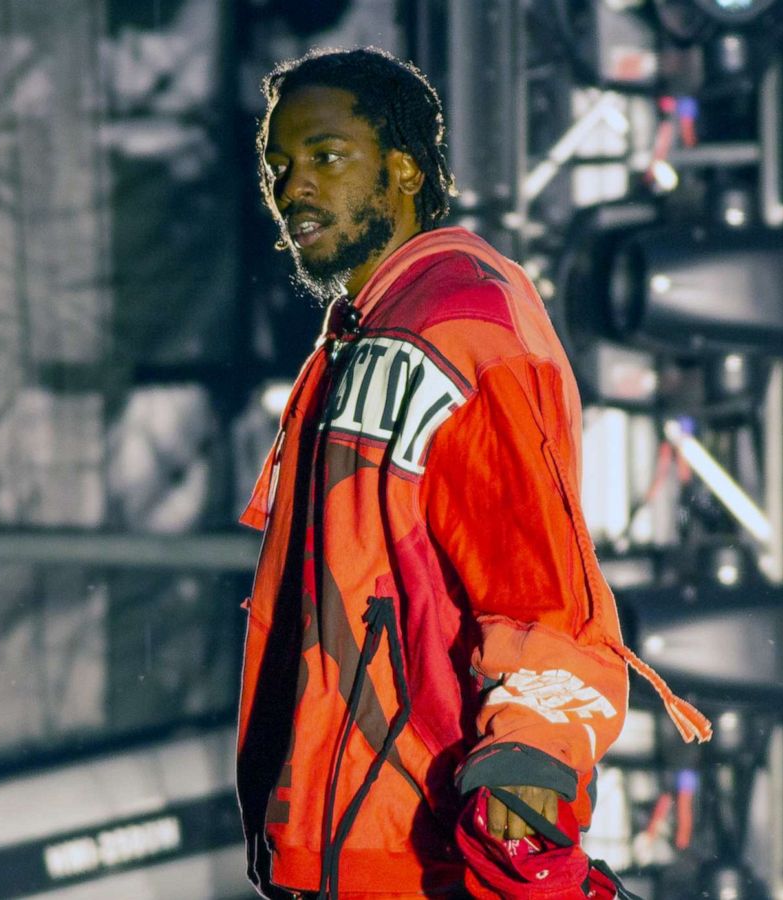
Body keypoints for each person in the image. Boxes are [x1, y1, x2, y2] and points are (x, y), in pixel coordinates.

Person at [237, 47, 711, 899]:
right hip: (343, 850)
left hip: (417, 853)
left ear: (405, 169)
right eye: (280, 165)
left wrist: (531, 752)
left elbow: (538, 579)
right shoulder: (363, 332)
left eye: (326, 156)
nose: (293, 186)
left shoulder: (460, 321)